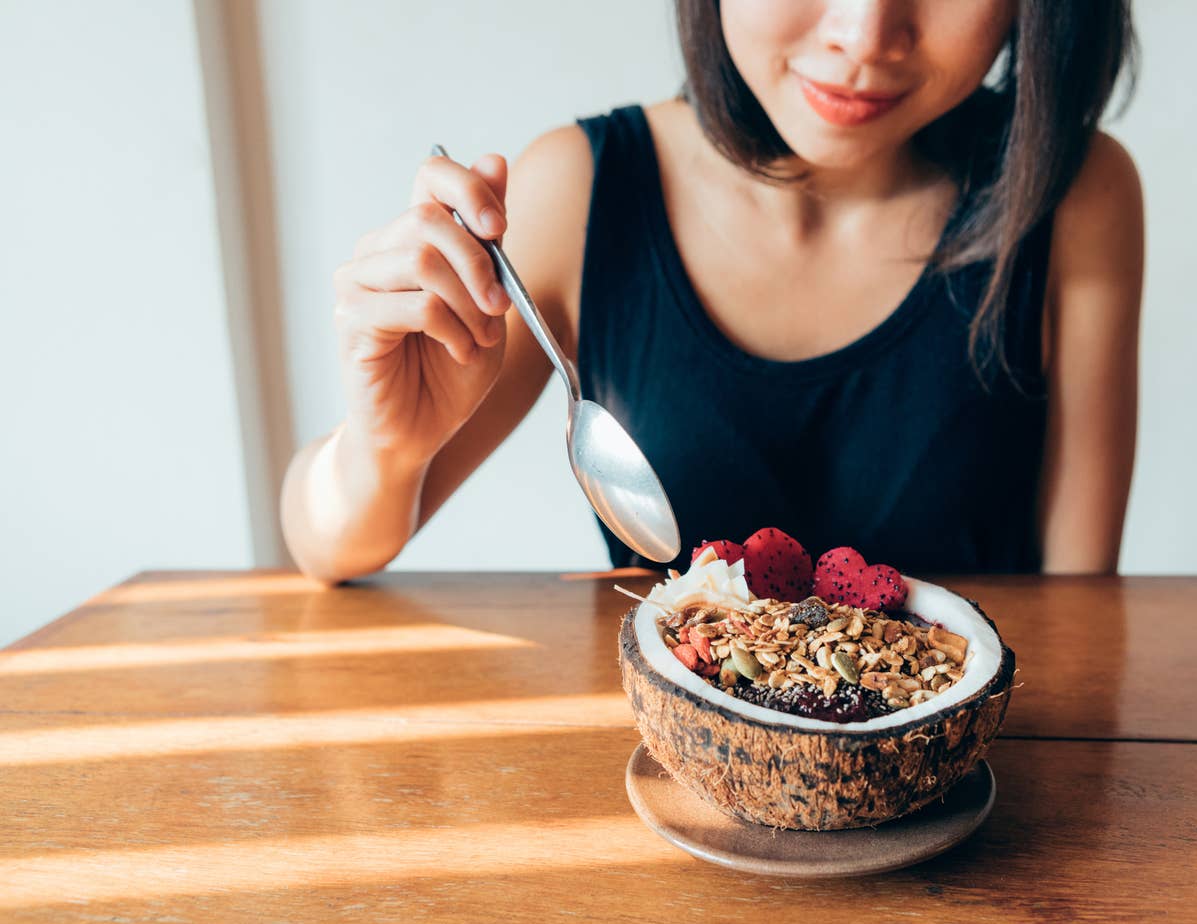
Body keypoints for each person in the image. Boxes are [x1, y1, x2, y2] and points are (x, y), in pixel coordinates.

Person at [282, 0, 1143, 583]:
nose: (866, 31)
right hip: (665, 797)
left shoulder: (1073, 196)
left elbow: (1083, 621)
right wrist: (384, 448)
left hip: (974, 804)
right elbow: (330, 549)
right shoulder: (579, 192)